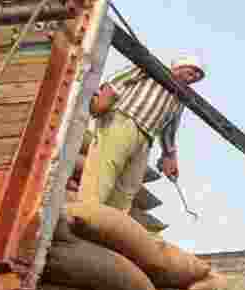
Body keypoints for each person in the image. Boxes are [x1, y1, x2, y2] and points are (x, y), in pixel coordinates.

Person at [80, 56, 204, 211]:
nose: (197, 76)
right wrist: (104, 99)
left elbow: (168, 131)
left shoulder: (181, 98)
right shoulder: (154, 69)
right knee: (102, 173)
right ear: (180, 65)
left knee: (128, 188)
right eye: (195, 70)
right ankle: (86, 211)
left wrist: (170, 156)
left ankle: (108, 224)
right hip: (123, 121)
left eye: (200, 76)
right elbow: (117, 81)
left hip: (146, 140)